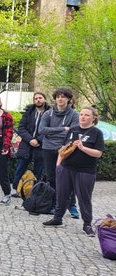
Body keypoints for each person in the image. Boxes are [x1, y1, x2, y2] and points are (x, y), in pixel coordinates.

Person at [42, 107, 104, 236]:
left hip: (85, 171)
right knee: (62, 194)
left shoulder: (96, 133)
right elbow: (64, 148)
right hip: (66, 168)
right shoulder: (73, 129)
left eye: (87, 115)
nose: (83, 117)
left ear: (94, 118)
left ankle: (87, 224)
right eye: (81, 114)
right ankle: (57, 218)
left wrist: (82, 147)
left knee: (84, 198)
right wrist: (59, 166)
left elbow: (98, 153)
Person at [38, 88, 80, 218]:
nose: (60, 99)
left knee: (68, 178)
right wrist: (63, 128)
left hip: (65, 149)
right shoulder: (48, 114)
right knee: (52, 178)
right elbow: (41, 130)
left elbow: (73, 132)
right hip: (48, 148)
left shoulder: (74, 114)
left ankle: (72, 205)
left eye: (63, 97)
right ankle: (54, 204)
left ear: (68, 99)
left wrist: (54, 133)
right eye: (58, 97)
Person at [10, 92, 50, 196]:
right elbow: (21, 128)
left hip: (41, 145)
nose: (38, 100)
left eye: (40, 98)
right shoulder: (28, 112)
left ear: (44, 99)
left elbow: (49, 129)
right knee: (20, 167)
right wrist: (30, 139)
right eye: (36, 98)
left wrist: (38, 140)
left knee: (39, 169)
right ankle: (15, 188)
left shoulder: (50, 113)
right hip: (26, 144)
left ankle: (35, 191)